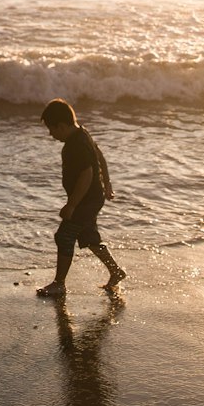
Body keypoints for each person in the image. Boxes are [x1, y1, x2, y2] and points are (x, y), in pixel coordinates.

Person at [36, 98, 126, 299]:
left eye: (52, 130)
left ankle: (59, 284)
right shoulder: (83, 134)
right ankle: (116, 271)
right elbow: (100, 157)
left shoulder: (74, 145)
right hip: (93, 198)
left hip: (85, 201)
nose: (51, 135)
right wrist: (107, 184)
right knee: (89, 237)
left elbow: (87, 174)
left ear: (62, 125)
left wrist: (72, 205)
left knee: (64, 236)